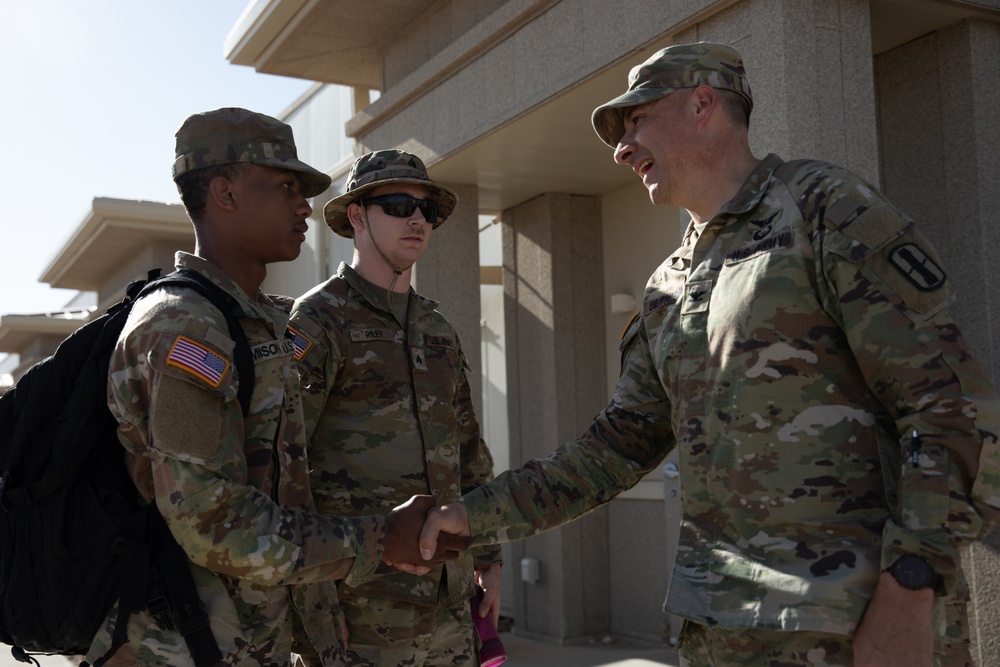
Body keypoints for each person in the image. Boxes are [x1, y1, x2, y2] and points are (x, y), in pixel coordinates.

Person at [414, 42, 1000, 666]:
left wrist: (910, 592)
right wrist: (471, 516)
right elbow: (612, 451)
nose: (621, 147)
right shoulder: (670, 284)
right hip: (720, 632)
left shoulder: (825, 209)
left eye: (636, 119)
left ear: (703, 103)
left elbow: (950, 407)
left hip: (852, 628)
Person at [87, 109, 464, 667]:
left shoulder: (255, 321)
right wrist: (381, 537)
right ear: (225, 193)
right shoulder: (183, 326)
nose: (304, 206)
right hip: (178, 647)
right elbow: (214, 522)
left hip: (245, 640)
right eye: (287, 186)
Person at [288, 149, 503, 667]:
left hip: (448, 608)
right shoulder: (318, 320)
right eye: (399, 204)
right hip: (357, 609)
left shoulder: (438, 329)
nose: (416, 219)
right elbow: (286, 468)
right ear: (356, 215)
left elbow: (469, 451)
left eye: (427, 210)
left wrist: (490, 555)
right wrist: (311, 605)